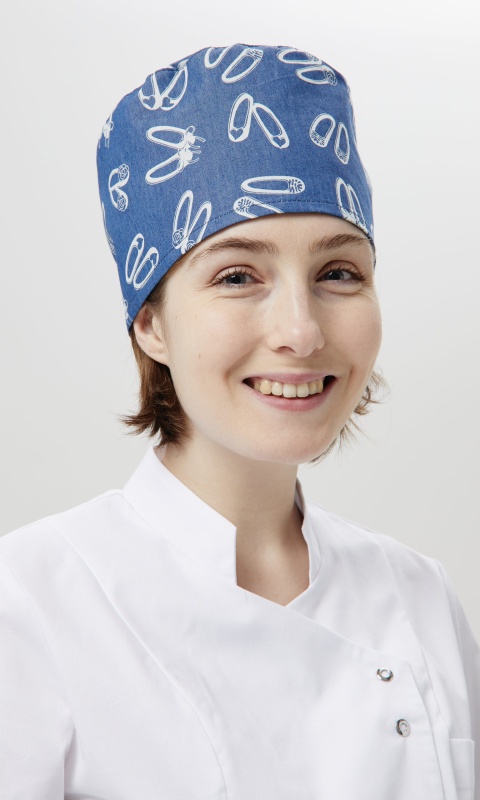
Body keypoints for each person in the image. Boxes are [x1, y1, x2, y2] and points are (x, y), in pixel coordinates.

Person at [0, 43, 478, 800]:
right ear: (151, 323)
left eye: (338, 273)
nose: (301, 332)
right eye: (236, 275)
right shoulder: (32, 603)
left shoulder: (420, 594)